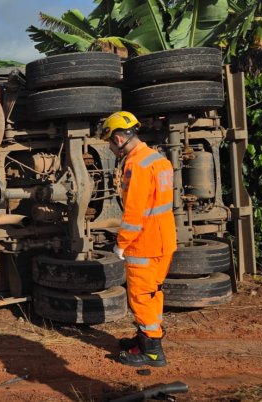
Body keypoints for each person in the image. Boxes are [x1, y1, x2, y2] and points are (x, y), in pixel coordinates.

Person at [99, 111, 176, 367]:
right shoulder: (157, 159)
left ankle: (152, 352)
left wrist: (121, 244)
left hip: (144, 244)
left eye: (110, 143)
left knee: (141, 296)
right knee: (153, 293)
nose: (111, 148)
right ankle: (146, 337)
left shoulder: (136, 165)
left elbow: (134, 212)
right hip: (164, 240)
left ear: (119, 139)